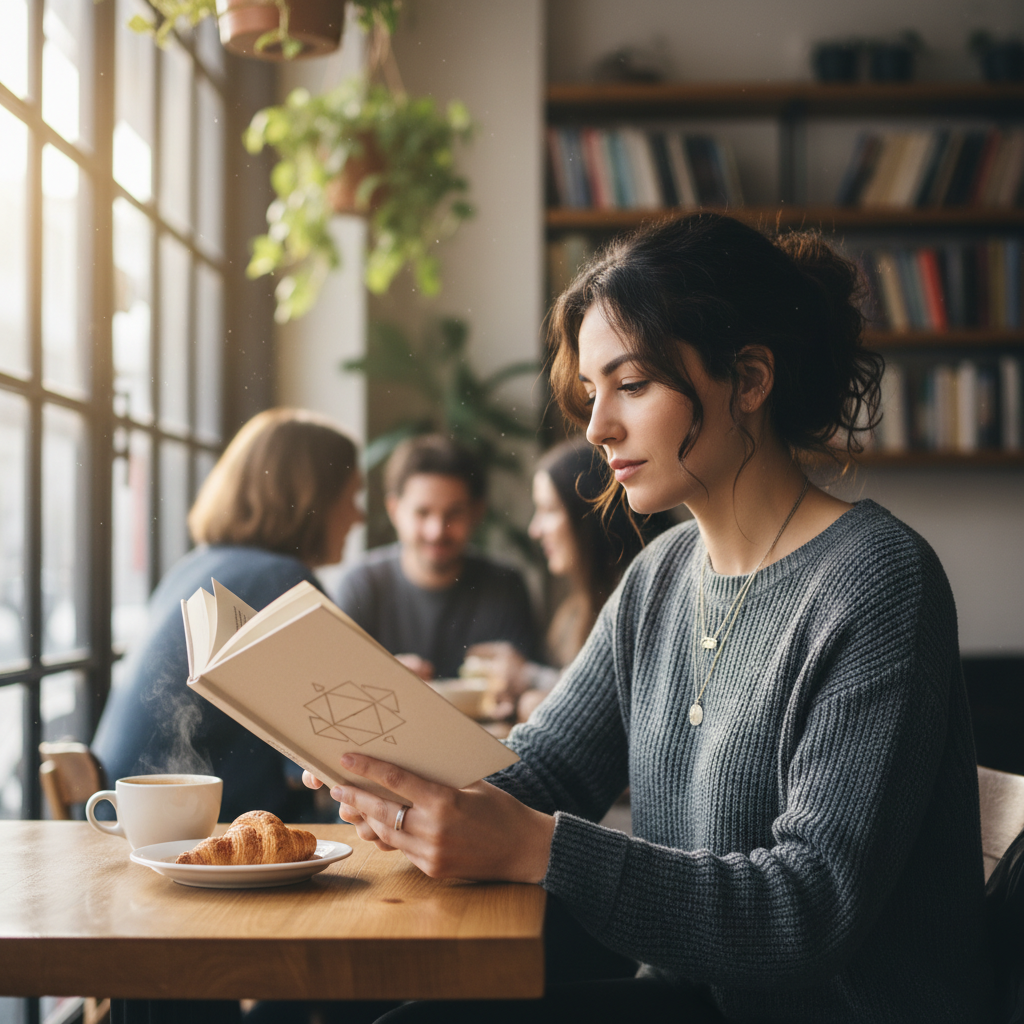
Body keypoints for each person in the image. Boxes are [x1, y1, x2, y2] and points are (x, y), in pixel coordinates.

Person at [305, 214, 992, 1023]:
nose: (596, 428)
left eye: (631, 385)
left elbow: (808, 910)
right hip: (690, 1000)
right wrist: (396, 776)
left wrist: (538, 846)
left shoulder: (878, 581)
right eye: (592, 394)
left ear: (750, 379)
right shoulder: (660, 577)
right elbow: (543, 768)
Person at [93, 408, 363, 824]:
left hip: (124, 820)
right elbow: (342, 757)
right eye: (351, 495)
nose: (358, 515)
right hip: (208, 831)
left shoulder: (197, 566)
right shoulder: (283, 581)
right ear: (314, 499)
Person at [466, 438, 674, 721]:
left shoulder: (643, 606)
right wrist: (526, 676)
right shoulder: (575, 612)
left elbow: (606, 717)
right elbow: (585, 688)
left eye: (549, 511)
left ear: (591, 515)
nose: (534, 530)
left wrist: (530, 700)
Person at [334, 433, 539, 681]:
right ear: (395, 511)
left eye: (453, 514)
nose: (437, 531)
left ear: (477, 513)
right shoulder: (361, 585)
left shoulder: (505, 586)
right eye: (422, 513)